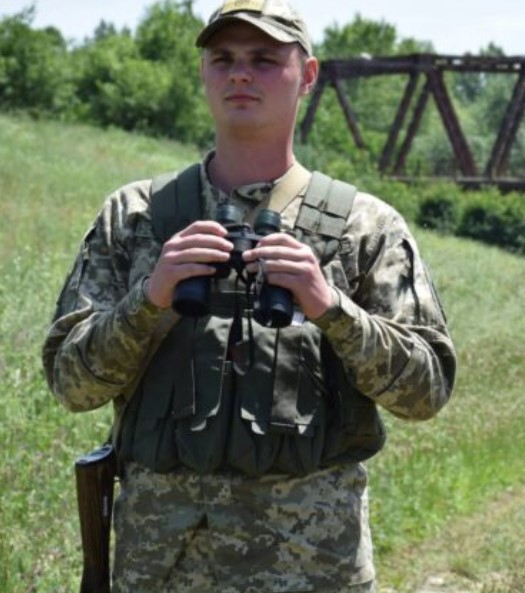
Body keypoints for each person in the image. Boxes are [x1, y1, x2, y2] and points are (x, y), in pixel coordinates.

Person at [41, 1, 456, 591]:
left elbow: (426, 392)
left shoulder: (365, 227)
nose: (240, 74)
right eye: (224, 59)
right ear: (205, 73)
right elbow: (71, 383)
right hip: (163, 566)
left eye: (264, 59)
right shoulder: (138, 216)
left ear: (307, 76)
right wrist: (150, 297)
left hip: (313, 567)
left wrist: (329, 306)